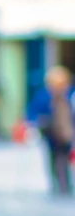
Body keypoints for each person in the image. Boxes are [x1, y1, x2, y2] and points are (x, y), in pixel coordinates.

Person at [28, 65, 75, 195]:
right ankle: (58, 182)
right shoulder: (44, 95)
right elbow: (33, 112)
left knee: (62, 157)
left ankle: (63, 183)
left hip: (65, 133)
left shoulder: (71, 94)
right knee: (54, 157)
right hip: (51, 132)